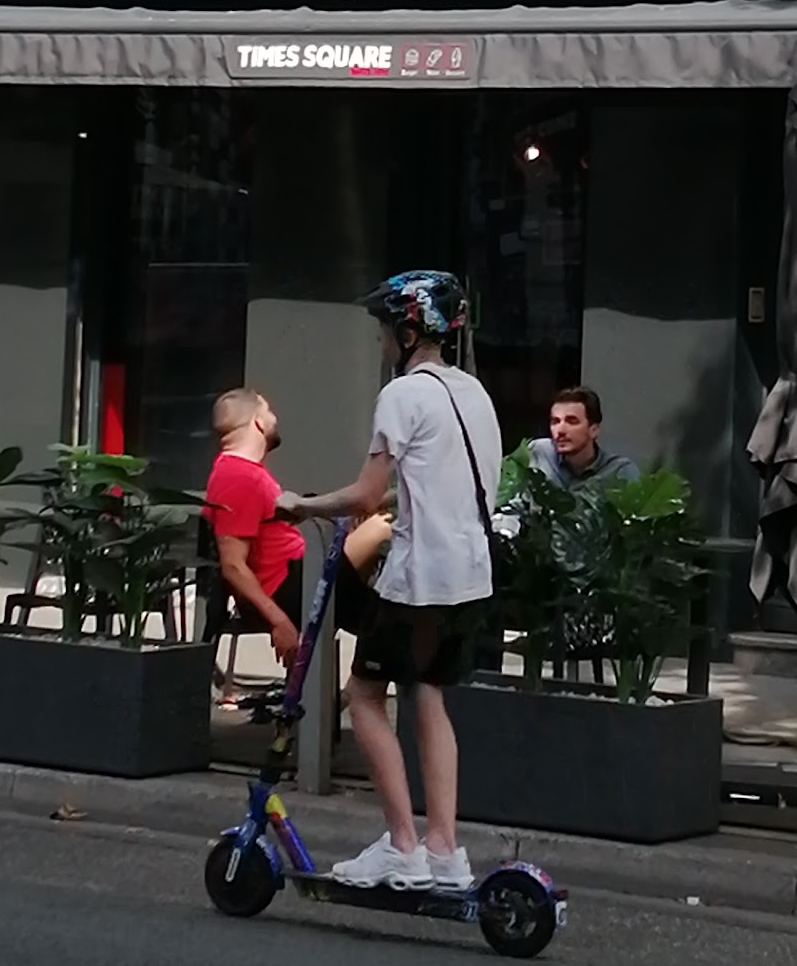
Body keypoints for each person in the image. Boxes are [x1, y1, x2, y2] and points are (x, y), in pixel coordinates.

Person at [278, 269, 501, 891]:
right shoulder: (474, 396)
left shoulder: (403, 395)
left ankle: (403, 846)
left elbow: (366, 494)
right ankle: (445, 850)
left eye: (383, 330)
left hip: (419, 578)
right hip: (470, 576)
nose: (379, 342)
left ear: (408, 332)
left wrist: (303, 504)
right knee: (428, 695)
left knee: (365, 697)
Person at [204, 387, 303, 666]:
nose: (275, 417)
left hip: (297, 578)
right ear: (258, 422)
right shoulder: (238, 477)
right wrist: (279, 620)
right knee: (383, 524)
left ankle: (355, 693)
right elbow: (233, 566)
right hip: (288, 588)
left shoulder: (243, 472)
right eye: (269, 411)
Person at [528, 385, 640, 490]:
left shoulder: (619, 471)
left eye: (572, 421)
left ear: (594, 430)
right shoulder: (540, 452)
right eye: (555, 421)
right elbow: (517, 504)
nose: (560, 430)